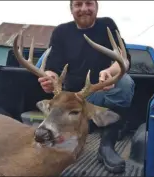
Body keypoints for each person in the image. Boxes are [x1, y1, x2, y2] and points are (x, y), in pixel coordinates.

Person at [36, 0, 135, 173]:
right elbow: (52, 68)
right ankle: (54, 141)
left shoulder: (107, 25)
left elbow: (124, 61)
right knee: (62, 105)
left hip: (97, 93)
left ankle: (106, 146)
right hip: (70, 97)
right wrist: (49, 79)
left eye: (89, 3)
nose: (84, 9)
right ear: (71, 9)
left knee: (125, 83)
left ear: (96, 7)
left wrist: (110, 72)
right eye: (78, 4)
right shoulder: (61, 32)